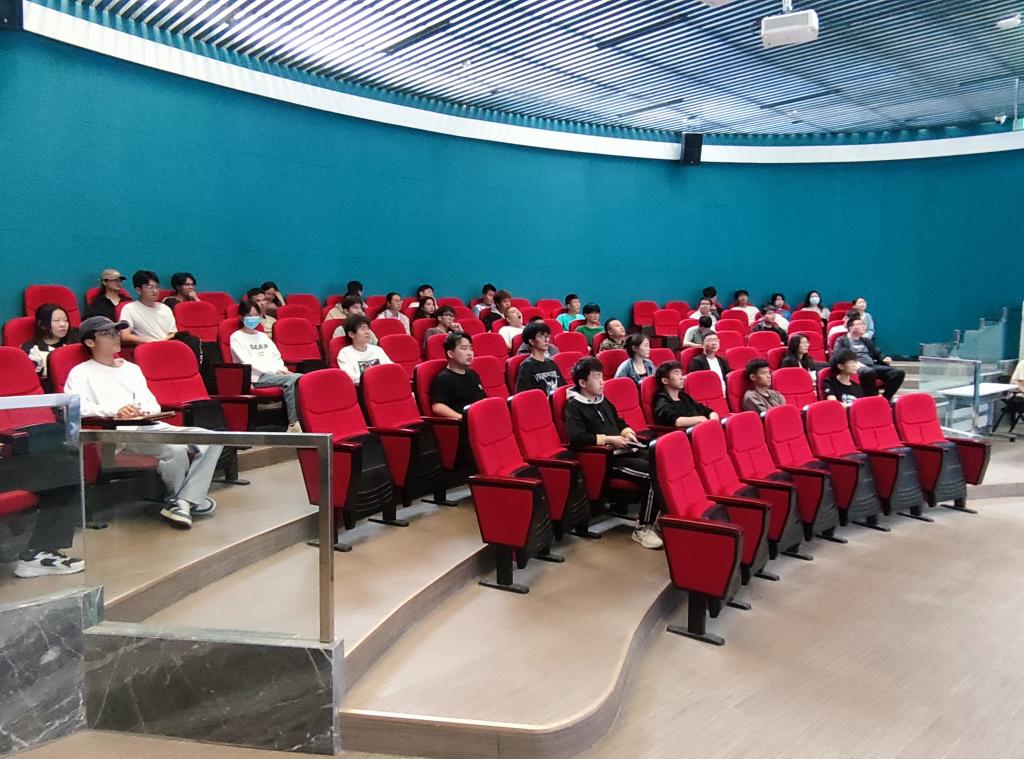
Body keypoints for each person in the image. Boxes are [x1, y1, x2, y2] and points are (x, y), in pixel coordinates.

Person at [64, 315, 223, 529]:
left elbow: (152, 404)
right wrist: (116, 411)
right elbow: (76, 408)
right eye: (107, 334)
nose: (115, 336)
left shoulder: (131, 369)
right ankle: (187, 500)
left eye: (116, 332)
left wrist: (140, 411)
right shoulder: (80, 373)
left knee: (213, 438)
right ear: (90, 342)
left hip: (149, 426)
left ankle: (182, 502)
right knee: (175, 450)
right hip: (117, 435)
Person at [564, 357, 661, 550]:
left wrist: (627, 432)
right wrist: (609, 439)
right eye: (596, 377)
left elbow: (619, 421)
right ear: (582, 382)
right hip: (609, 460)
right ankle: (643, 527)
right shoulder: (574, 406)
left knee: (664, 465)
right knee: (655, 477)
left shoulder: (602, 399)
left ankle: (659, 519)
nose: (602, 382)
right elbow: (577, 437)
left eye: (602, 377)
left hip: (625, 449)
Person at [230, 299, 301, 432]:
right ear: (241, 317)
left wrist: (282, 369)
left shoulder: (263, 336)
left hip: (274, 374)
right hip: (255, 377)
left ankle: (304, 421)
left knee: (303, 378)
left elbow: (276, 356)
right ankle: (294, 424)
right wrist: (274, 371)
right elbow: (247, 362)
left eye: (255, 315)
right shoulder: (236, 337)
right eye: (249, 315)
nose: (253, 318)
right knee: (292, 380)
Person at [833, 316, 904, 399]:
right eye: (860, 324)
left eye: (864, 324)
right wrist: (853, 362)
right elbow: (839, 355)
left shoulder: (866, 340)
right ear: (851, 328)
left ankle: (885, 399)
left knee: (898, 372)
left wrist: (884, 358)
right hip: (856, 367)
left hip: (872, 366)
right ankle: (873, 399)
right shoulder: (841, 340)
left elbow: (877, 353)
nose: (864, 326)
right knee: (869, 372)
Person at [430, 332, 486, 420]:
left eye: (471, 348)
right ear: (450, 353)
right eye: (464, 348)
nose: (470, 353)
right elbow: (438, 407)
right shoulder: (443, 378)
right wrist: (466, 419)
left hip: (483, 418)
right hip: (466, 423)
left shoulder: (473, 373)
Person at [653, 360, 718, 430]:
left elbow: (708, 411)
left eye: (681, 374)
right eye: (677, 374)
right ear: (665, 380)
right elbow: (676, 421)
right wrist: (701, 420)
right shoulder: (661, 401)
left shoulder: (683, 396)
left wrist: (713, 420)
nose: (682, 378)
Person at [120, 271, 178, 345]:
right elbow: (125, 336)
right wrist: (154, 342)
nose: (155, 291)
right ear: (138, 290)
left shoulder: (165, 308)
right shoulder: (129, 308)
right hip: (148, 348)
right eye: (150, 287)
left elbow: (173, 333)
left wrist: (164, 343)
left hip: (168, 345)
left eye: (157, 287)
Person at [21, 304, 76, 382]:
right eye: (56, 321)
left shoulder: (74, 342)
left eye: (65, 320)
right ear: (41, 325)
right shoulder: (32, 350)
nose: (63, 324)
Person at [336, 315, 392, 386]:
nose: (367, 332)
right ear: (351, 334)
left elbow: (391, 368)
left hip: (385, 385)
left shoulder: (377, 350)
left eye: (368, 328)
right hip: (363, 389)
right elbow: (351, 378)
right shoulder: (345, 354)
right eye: (362, 329)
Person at [515, 321, 565, 396]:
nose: (547, 340)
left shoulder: (552, 364)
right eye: (542, 336)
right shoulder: (526, 366)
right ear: (531, 341)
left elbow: (563, 388)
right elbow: (523, 396)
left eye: (547, 336)